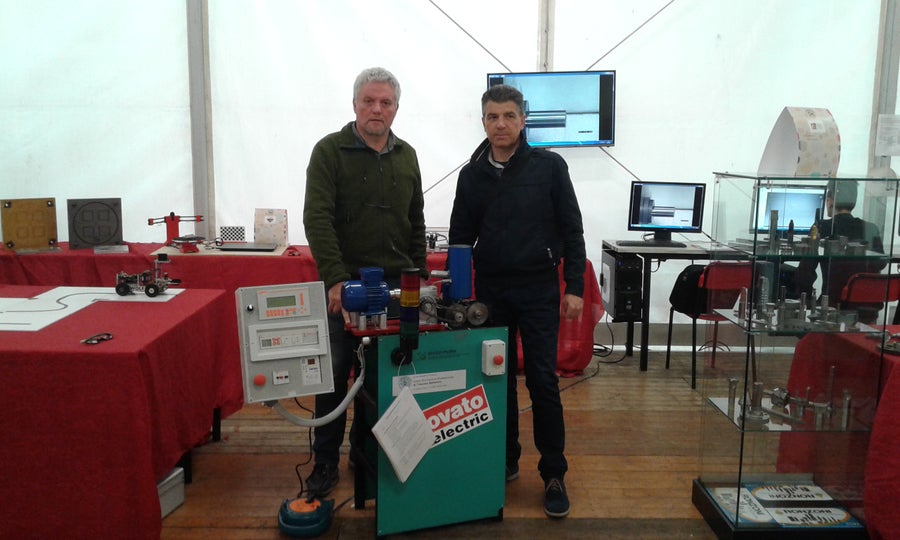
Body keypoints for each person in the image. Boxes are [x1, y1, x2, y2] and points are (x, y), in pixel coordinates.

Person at [448, 84, 586, 518]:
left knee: (542, 380)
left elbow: (572, 229)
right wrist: (457, 296)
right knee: (496, 379)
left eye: (509, 116)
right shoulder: (471, 176)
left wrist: (576, 286)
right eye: (493, 117)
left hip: (539, 290)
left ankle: (553, 473)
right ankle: (504, 459)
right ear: (483, 122)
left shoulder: (549, 167)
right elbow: (459, 238)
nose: (501, 124)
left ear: (523, 120)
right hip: (491, 293)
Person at [302, 67, 427, 496]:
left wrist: (419, 275)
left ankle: (365, 452)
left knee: (383, 376)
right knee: (336, 374)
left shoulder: (407, 155)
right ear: (354, 104)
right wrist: (336, 280)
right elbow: (317, 219)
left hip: (395, 288)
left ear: (396, 108)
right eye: (369, 101)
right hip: (347, 287)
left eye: (385, 102)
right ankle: (324, 462)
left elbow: (416, 220)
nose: (377, 109)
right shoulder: (329, 152)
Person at [796, 179, 885, 322]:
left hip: (831, 308)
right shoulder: (871, 228)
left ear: (830, 200)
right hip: (867, 312)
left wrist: (806, 300)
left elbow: (805, 271)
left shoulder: (822, 227)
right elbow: (880, 264)